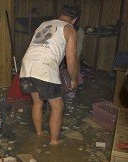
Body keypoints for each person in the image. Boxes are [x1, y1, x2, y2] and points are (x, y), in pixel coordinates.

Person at [19, 5, 81, 145]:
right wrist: (73, 79)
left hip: (27, 65)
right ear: (75, 19)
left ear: (61, 14)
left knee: (37, 102)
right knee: (57, 107)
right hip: (44, 67)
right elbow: (71, 60)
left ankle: (39, 132)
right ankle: (54, 141)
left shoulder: (44, 24)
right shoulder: (69, 29)